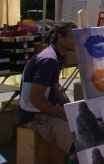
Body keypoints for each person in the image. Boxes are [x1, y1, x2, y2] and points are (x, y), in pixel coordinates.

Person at [18, 20, 77, 156]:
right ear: (60, 37)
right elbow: (36, 98)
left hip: (47, 111)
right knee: (79, 141)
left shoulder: (57, 57)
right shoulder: (49, 60)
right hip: (35, 116)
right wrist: (62, 115)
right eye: (72, 36)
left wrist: (73, 110)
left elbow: (56, 93)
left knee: (86, 128)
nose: (76, 40)